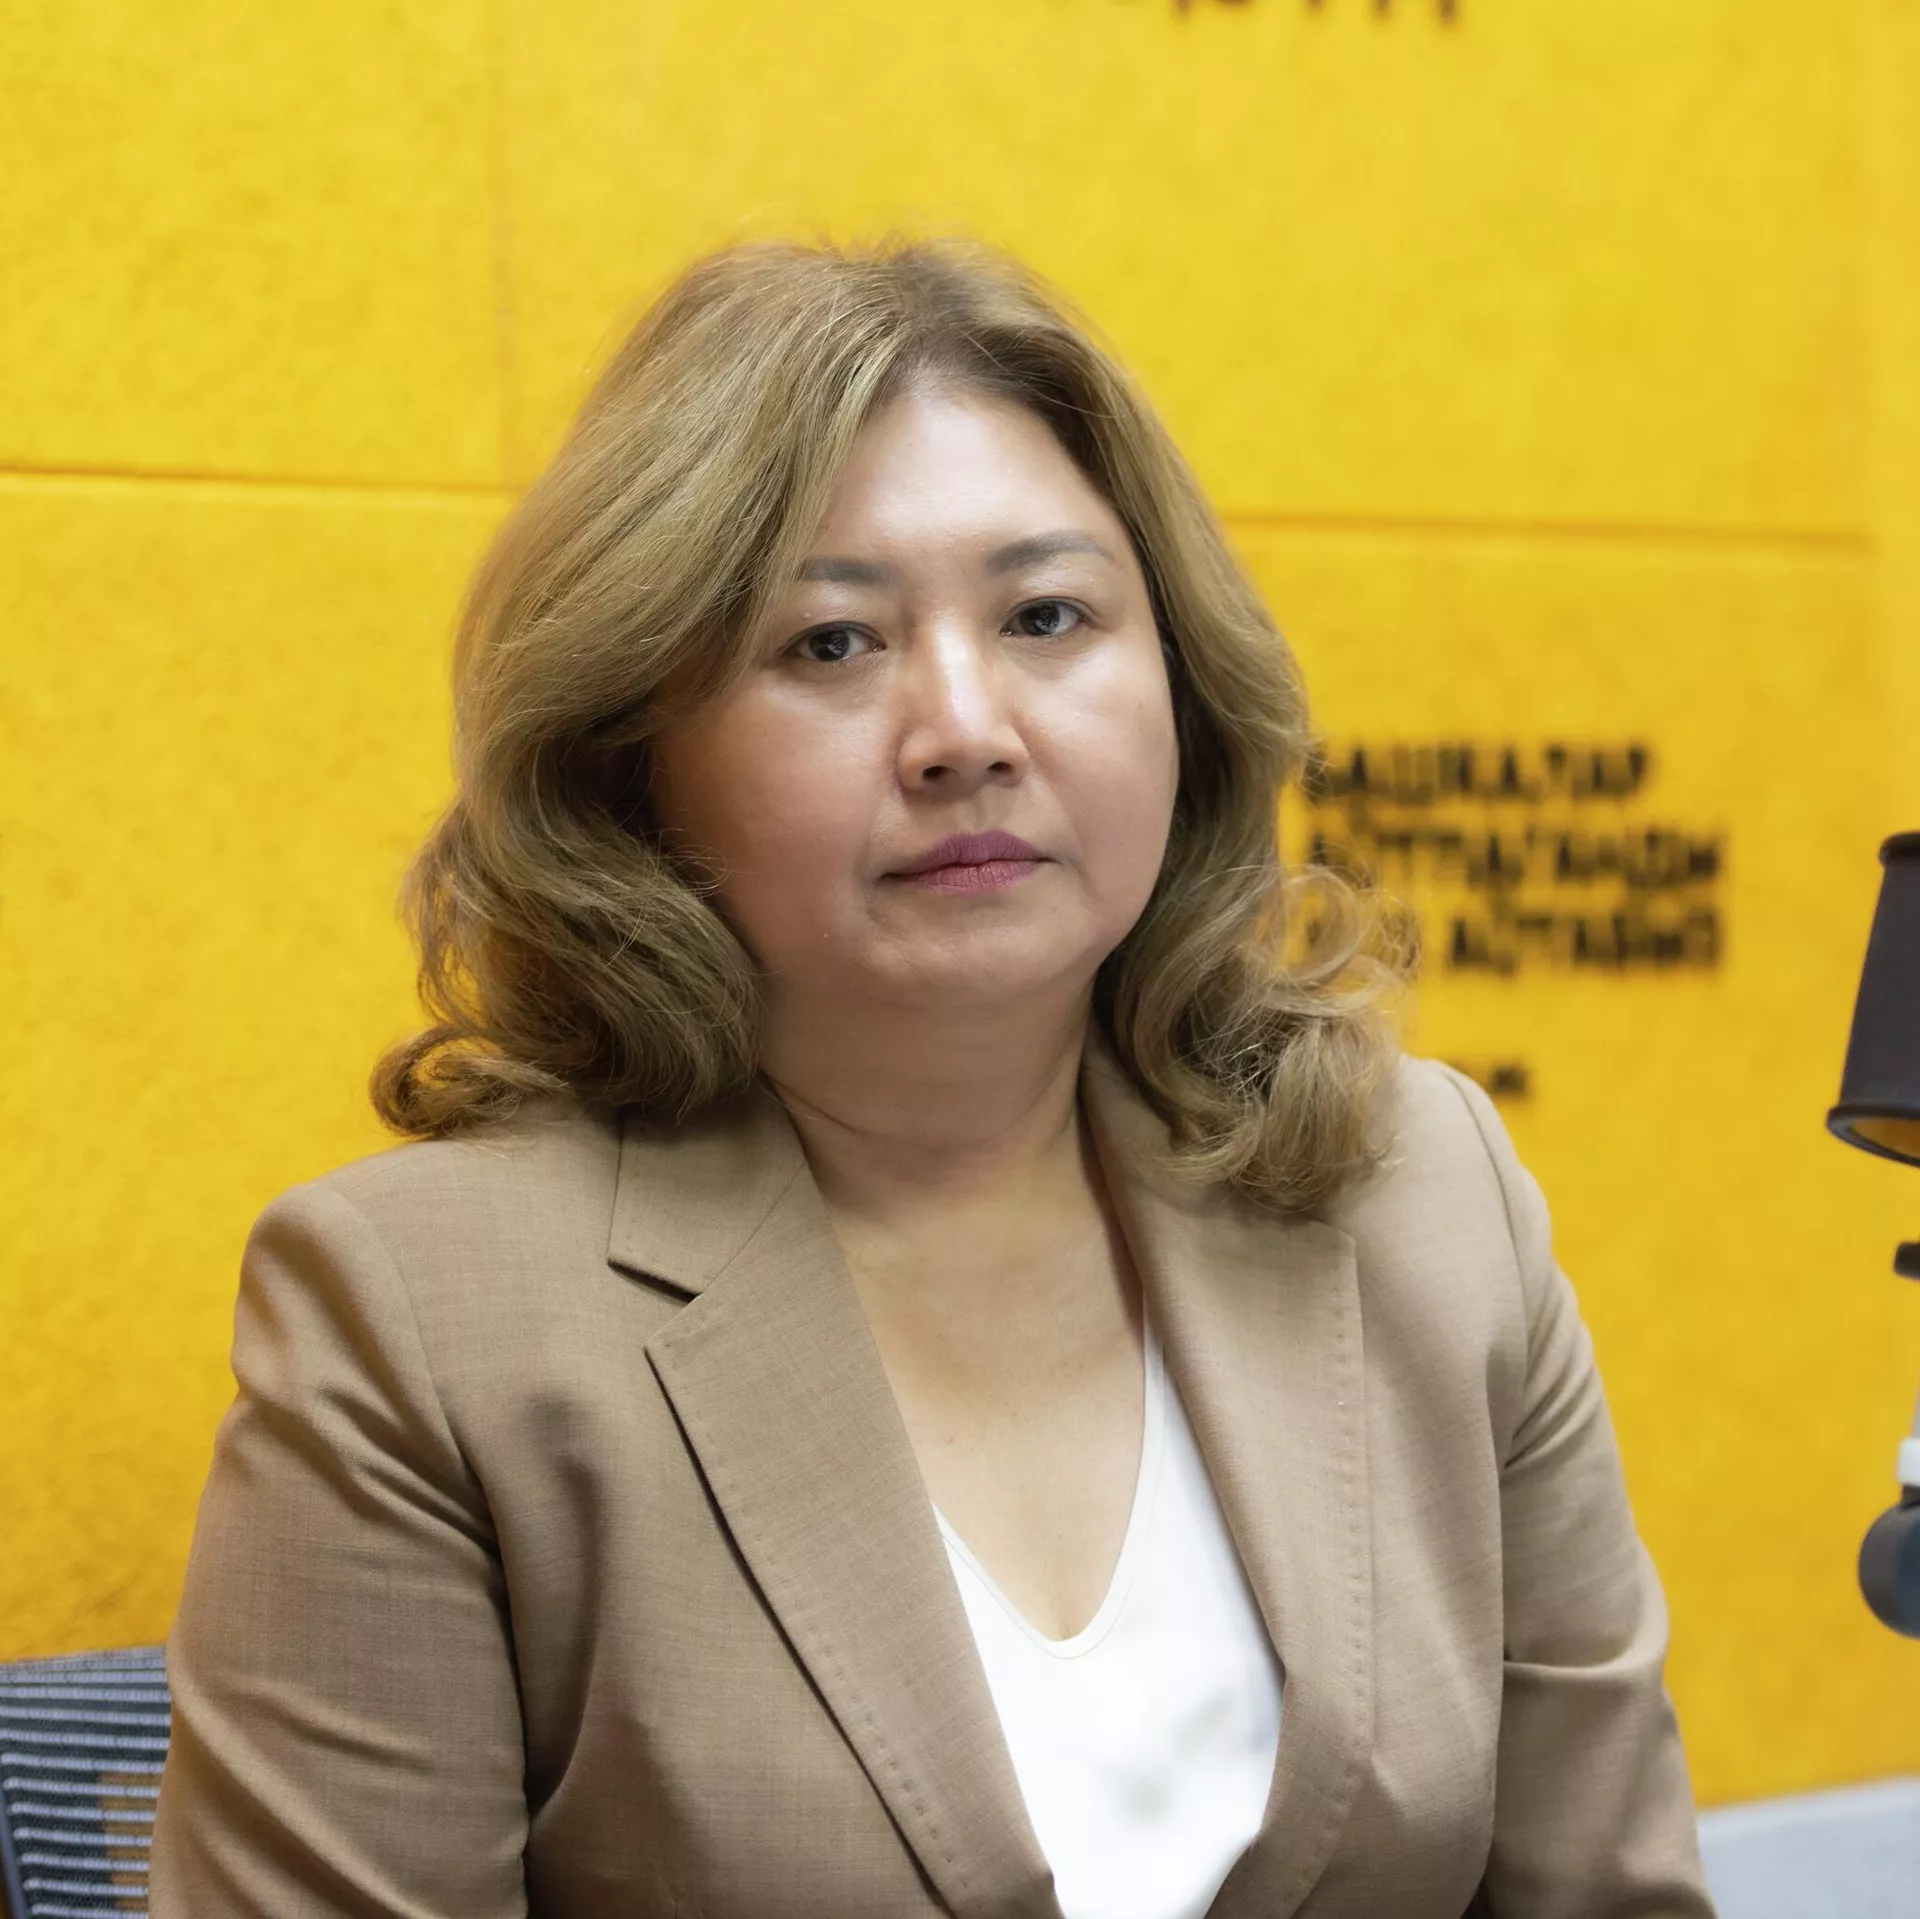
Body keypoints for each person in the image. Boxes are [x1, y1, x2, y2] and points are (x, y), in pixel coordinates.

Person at [149, 237, 1716, 1919]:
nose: (964, 728)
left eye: (1046, 617)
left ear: (1181, 690)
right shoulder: (425, 1320)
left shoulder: (1423, 1195)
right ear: (635, 757)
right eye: (831, 644)